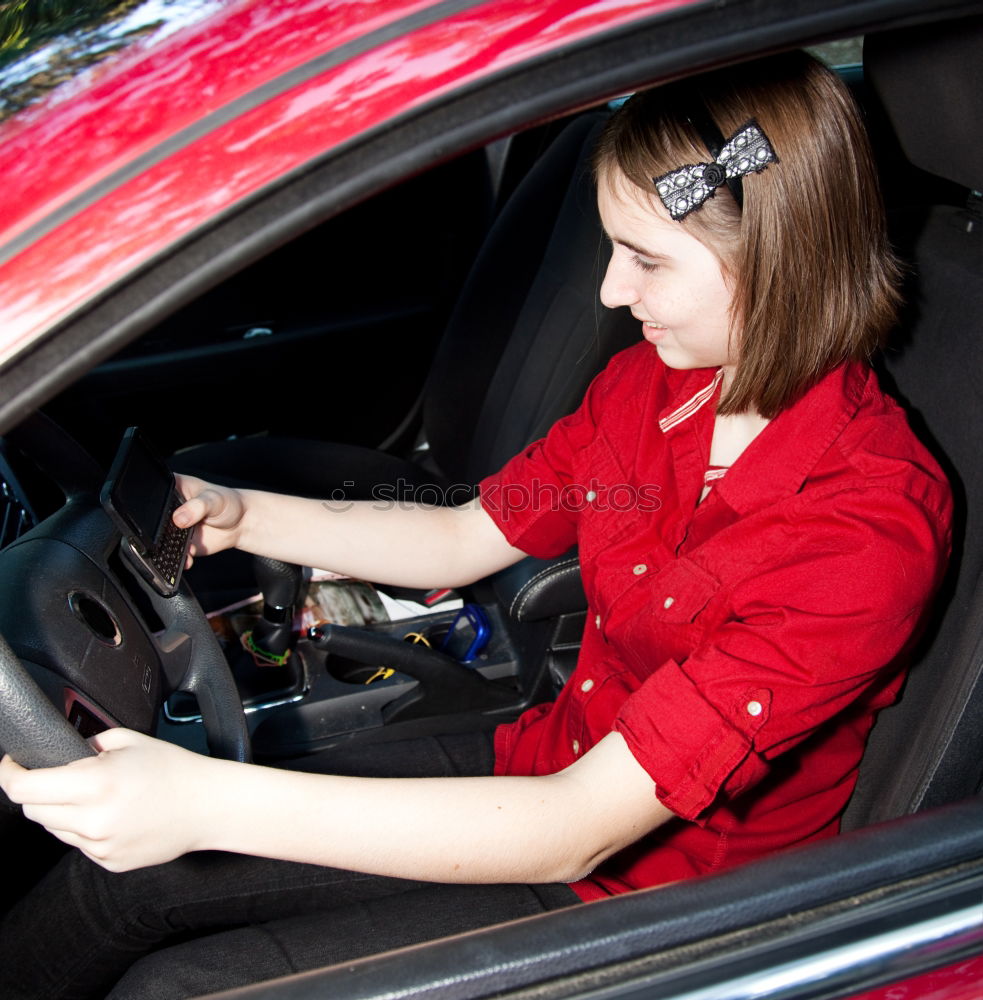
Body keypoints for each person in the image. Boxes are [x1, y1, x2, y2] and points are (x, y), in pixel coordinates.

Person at [0, 51, 952, 999]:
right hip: (549, 754)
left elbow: (576, 826)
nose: (611, 294)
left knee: (181, 986)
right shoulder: (649, 390)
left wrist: (201, 802)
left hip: (660, 897)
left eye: (645, 259)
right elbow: (463, 538)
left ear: (778, 262)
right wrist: (249, 516)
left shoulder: (861, 535)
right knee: (113, 885)